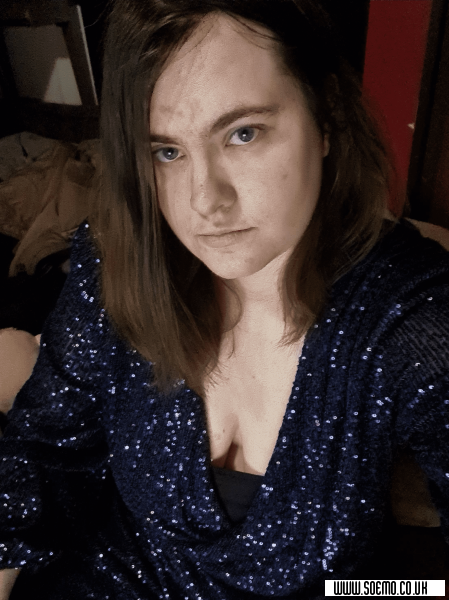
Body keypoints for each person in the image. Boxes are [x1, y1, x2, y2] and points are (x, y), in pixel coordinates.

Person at [1, 0, 449, 598]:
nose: (203, 201)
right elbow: (44, 449)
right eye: (167, 151)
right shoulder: (119, 257)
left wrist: (391, 592)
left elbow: (419, 588)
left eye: (243, 133)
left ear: (328, 118)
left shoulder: (410, 317)